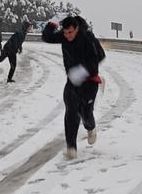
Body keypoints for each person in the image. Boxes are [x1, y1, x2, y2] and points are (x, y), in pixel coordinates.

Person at [42, 15, 107, 159]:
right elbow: (47, 37)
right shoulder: (64, 36)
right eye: (65, 32)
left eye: (70, 32)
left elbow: (101, 56)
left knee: (86, 112)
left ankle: (91, 128)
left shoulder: (87, 37)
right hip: (72, 82)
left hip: (90, 82)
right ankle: (71, 147)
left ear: (76, 28)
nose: (68, 36)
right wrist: (53, 22)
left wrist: (83, 71)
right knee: (71, 111)